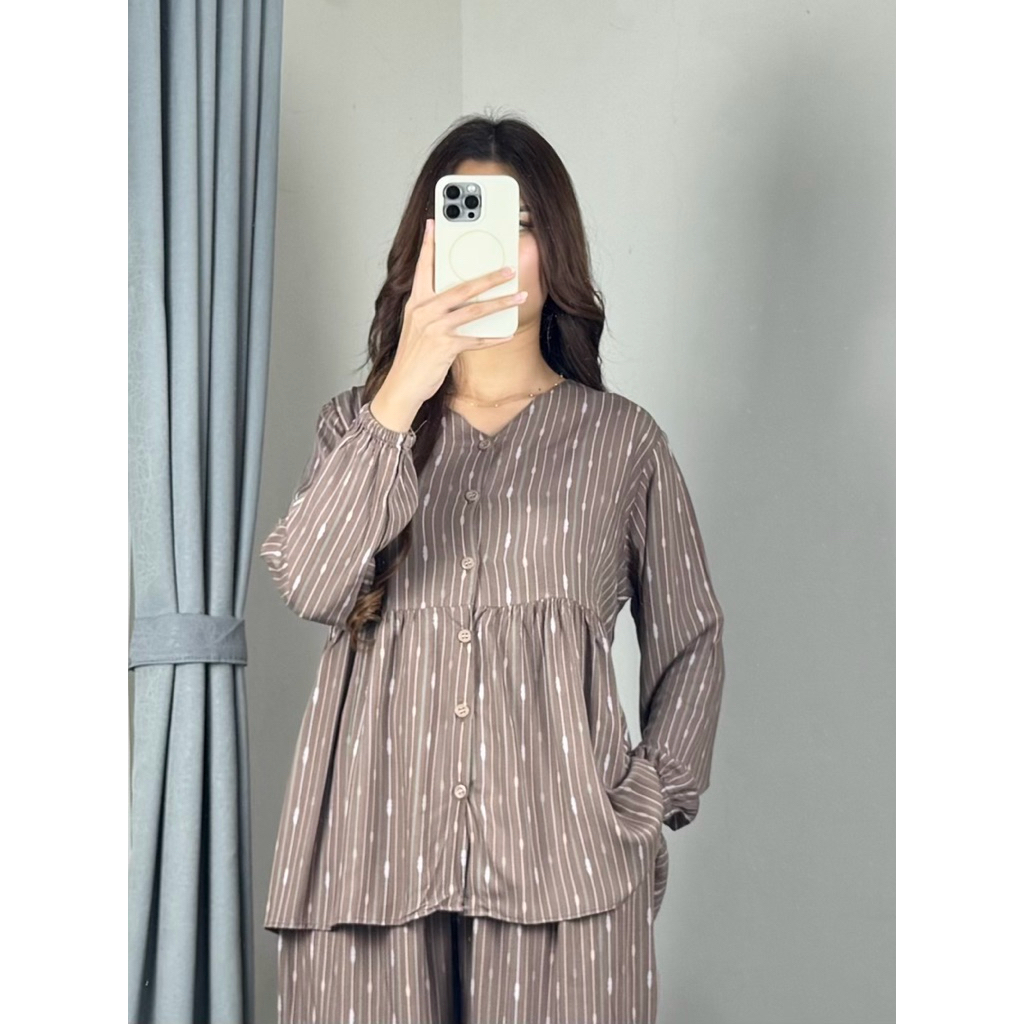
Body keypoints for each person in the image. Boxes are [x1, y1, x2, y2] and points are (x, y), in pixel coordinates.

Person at [261, 113, 726, 1024]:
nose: (498, 251)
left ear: (556, 251)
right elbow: (311, 584)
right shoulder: (357, 427)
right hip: (369, 865)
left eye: (521, 226)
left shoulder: (622, 443)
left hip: (567, 875)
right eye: (471, 222)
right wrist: (404, 387)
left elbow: (693, 640)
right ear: (427, 247)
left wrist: (642, 801)